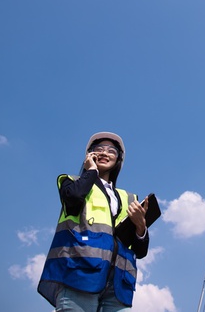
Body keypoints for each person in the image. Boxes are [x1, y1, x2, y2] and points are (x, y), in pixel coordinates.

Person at [38, 131, 149, 311]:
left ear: (118, 160)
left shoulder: (129, 198)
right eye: (99, 149)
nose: (105, 153)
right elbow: (73, 199)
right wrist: (91, 171)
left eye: (111, 150)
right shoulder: (71, 182)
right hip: (80, 274)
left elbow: (140, 250)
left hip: (118, 285)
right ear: (89, 155)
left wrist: (140, 226)